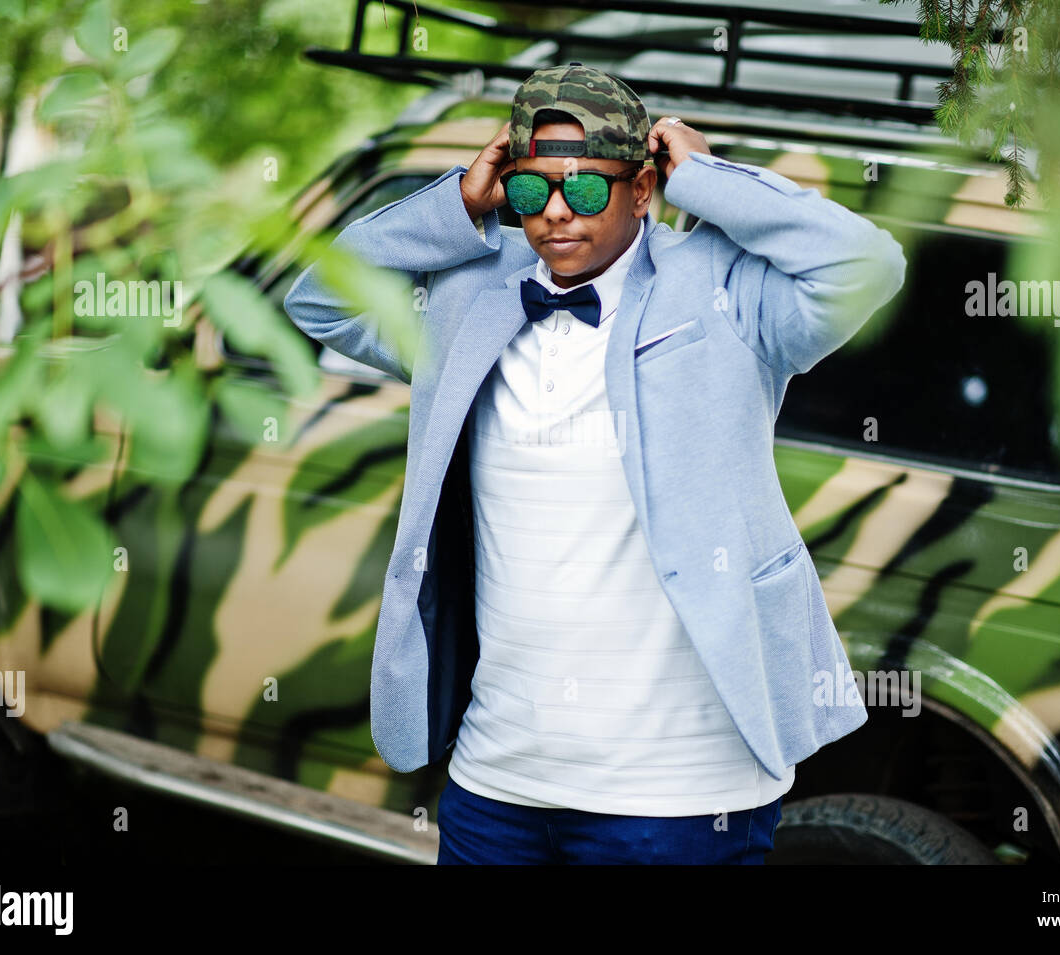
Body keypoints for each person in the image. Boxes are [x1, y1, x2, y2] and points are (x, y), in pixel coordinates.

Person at [284, 63, 906, 864]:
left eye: (584, 191)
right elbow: (319, 298)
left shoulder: (721, 289)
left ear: (642, 188)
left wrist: (708, 181)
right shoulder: (469, 296)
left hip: (681, 795)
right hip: (498, 782)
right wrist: (459, 203)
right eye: (530, 191)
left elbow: (868, 264)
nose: (554, 216)